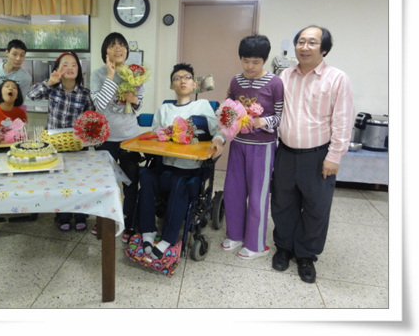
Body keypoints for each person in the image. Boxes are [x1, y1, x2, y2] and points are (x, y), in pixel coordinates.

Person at [271, 25, 354, 283]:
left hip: (318, 156)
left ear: (324, 49)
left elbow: (343, 119)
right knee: (283, 203)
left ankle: (306, 255)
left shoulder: (337, 78)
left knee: (316, 207)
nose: (304, 47)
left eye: (312, 42)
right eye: (301, 42)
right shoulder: (284, 76)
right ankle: (284, 247)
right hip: (285, 152)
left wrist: (334, 156)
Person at [137, 63, 225, 261]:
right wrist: (165, 134)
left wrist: (219, 141)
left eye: (187, 77)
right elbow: (155, 134)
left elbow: (217, 131)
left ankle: (168, 239)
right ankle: (148, 231)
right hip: (165, 164)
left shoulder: (202, 106)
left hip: (190, 168)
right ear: (171, 85)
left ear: (194, 84)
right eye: (177, 78)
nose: (182, 81)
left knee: (179, 182)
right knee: (146, 176)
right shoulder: (164, 109)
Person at [220, 35, 284, 259]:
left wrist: (262, 122)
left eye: (255, 62)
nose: (250, 66)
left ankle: (256, 244)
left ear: (264, 60)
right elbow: (228, 110)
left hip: (262, 147)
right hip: (238, 145)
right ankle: (235, 235)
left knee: (258, 195)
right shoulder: (236, 81)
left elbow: (281, 117)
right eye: (245, 61)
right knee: (233, 191)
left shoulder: (275, 82)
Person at [27, 51, 95, 231]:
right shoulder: (52, 89)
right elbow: (31, 95)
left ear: (79, 69)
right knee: (59, 181)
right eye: (65, 64)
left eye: (74, 64)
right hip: (55, 146)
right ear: (57, 69)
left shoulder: (85, 94)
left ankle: (80, 214)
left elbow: (90, 118)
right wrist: (49, 82)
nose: (70, 68)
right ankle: (62, 216)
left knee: (79, 181)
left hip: (77, 146)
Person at [90, 32, 144, 243]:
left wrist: (135, 101)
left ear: (127, 51)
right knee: (106, 183)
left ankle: (129, 222)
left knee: (130, 182)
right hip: (105, 138)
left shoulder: (135, 74)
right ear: (105, 51)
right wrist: (111, 76)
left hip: (129, 137)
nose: (118, 48)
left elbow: (138, 105)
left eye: (122, 45)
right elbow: (99, 104)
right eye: (112, 45)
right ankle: (105, 221)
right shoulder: (98, 74)